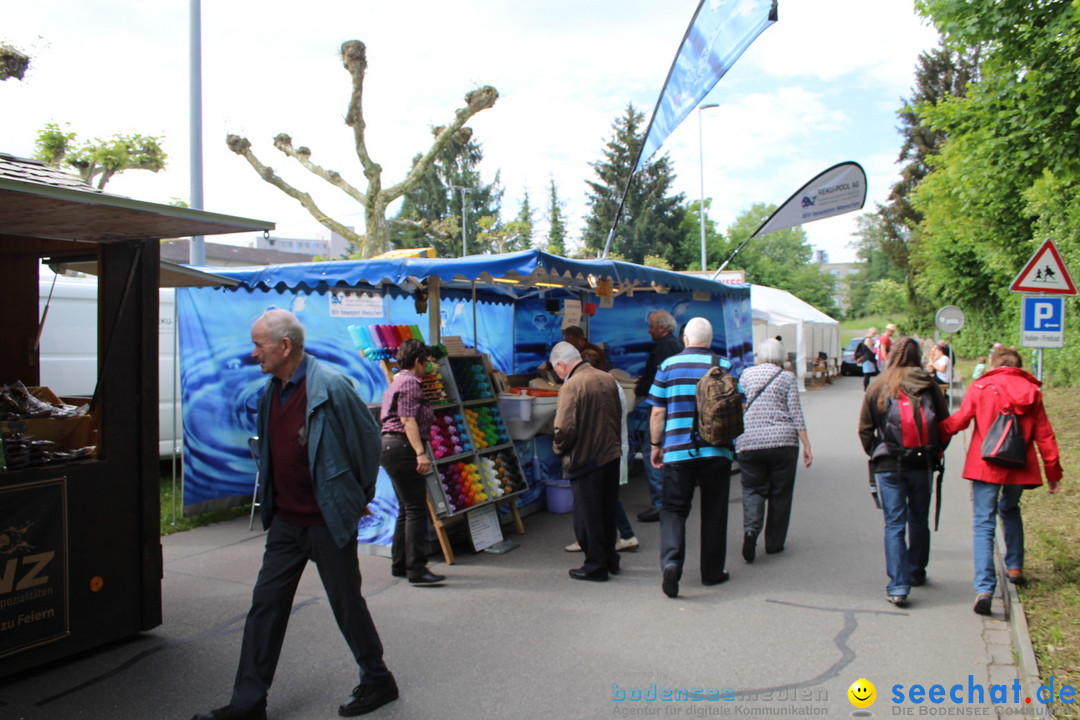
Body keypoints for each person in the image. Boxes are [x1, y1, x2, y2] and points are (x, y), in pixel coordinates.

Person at [193, 310, 396, 720]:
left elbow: (368, 444)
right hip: (286, 521)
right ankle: (248, 704)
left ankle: (378, 679)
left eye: (259, 345)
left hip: (326, 519)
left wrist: (355, 497)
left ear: (284, 347)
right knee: (265, 606)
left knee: (346, 604)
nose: (253, 354)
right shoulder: (272, 390)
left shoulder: (333, 387)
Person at [938, 348, 1063, 616]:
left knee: (984, 522)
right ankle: (1015, 567)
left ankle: (985, 588)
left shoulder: (980, 386)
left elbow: (959, 421)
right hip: (1019, 466)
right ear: (1018, 366)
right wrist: (1053, 473)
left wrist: (935, 431)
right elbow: (1045, 435)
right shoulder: (1032, 392)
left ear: (995, 364)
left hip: (985, 466)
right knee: (1011, 510)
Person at [858, 335, 950, 608]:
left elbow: (864, 428)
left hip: (888, 464)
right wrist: (935, 451)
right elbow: (944, 425)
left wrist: (876, 452)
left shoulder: (879, 385)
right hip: (921, 464)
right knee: (918, 520)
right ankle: (916, 571)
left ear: (892, 354)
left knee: (894, 524)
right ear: (918, 355)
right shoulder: (929, 385)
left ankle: (898, 586)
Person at [647, 317, 733, 598]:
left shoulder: (667, 367)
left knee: (673, 509)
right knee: (714, 511)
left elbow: (658, 412)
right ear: (710, 340)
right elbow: (737, 407)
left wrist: (656, 445)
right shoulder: (725, 366)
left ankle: (671, 562)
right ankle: (711, 573)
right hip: (717, 450)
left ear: (685, 338)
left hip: (677, 451)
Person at [550, 341, 624, 581]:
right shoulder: (607, 377)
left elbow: (564, 427)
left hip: (586, 458)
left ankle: (595, 566)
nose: (557, 374)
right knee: (607, 511)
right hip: (611, 453)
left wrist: (558, 448)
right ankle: (610, 559)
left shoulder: (571, 385)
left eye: (556, 369)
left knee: (588, 516)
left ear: (561, 365)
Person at [735, 338, 813, 563]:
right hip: (783, 442)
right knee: (781, 493)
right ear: (781, 356)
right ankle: (774, 543)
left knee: (752, 489)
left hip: (749, 440)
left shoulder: (747, 375)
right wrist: (806, 444)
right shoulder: (787, 377)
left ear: (759, 355)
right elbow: (796, 413)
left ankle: (751, 530)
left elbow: (741, 404)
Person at [379, 338, 445, 585]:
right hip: (403, 447)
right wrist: (420, 452)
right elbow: (408, 420)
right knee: (416, 509)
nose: (427, 366)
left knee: (406, 509)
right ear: (417, 361)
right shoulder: (409, 384)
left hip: (390, 446)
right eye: (426, 361)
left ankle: (401, 564)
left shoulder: (397, 381)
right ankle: (417, 569)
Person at [564, 344, 639, 554]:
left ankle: (595, 539)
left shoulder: (588, 386)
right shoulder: (610, 384)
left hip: (597, 450)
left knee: (592, 497)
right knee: (606, 495)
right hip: (614, 446)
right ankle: (622, 535)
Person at [634, 310, 683, 522]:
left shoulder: (663, 348)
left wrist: (640, 387)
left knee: (652, 453)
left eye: (652, 326)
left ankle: (659, 504)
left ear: (662, 327)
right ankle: (670, 500)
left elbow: (657, 381)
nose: (649, 329)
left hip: (662, 409)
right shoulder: (676, 346)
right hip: (676, 409)